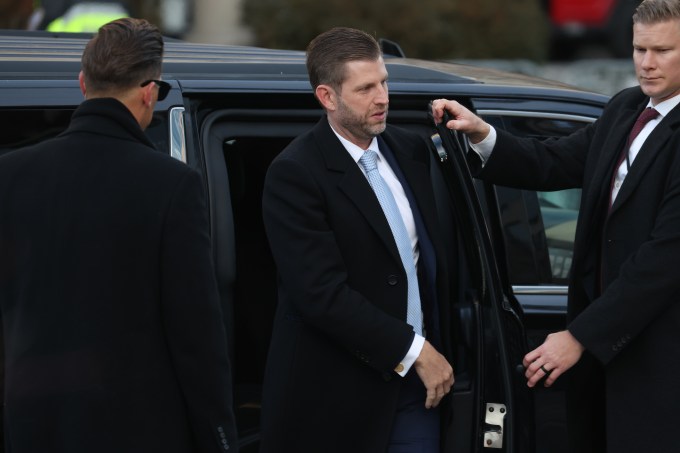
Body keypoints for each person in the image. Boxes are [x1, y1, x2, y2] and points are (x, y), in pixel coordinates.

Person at [432, 1, 680, 452]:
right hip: (608, 356)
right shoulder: (626, 108)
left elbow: (663, 260)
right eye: (639, 49)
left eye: (662, 51)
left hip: (659, 355)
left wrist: (581, 335)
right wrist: (482, 134)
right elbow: (554, 161)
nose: (646, 63)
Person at [0, 18, 237, 453]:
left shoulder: (10, 175)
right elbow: (195, 337)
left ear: (82, 83)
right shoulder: (171, 185)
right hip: (137, 431)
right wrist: (219, 438)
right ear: (149, 92)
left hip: (30, 426)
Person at [260, 27, 454, 452]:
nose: (383, 97)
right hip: (337, 393)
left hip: (416, 391)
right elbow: (320, 294)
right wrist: (416, 350)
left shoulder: (409, 149)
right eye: (366, 88)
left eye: (384, 82)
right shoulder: (295, 173)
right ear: (327, 97)